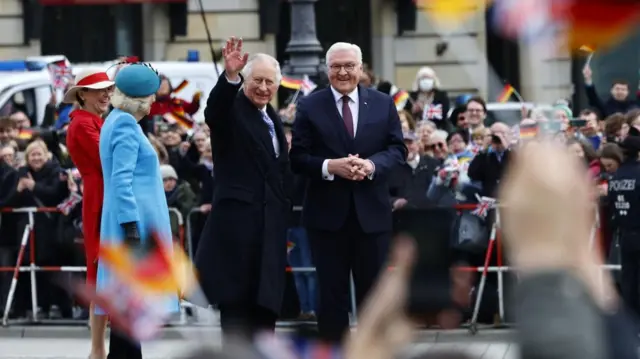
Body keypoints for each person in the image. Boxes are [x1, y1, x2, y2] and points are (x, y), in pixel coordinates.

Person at [289, 42, 406, 343]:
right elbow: (298, 158)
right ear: (326, 70)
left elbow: (397, 150)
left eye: (349, 65)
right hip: (327, 219)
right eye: (336, 66)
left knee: (375, 297)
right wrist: (331, 166)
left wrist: (370, 165)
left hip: (372, 217)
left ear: (360, 68)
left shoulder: (382, 103)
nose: (343, 72)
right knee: (331, 298)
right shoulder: (310, 105)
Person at [194, 37, 292, 340]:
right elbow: (215, 112)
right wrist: (231, 77)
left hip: (269, 233)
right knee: (237, 318)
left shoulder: (272, 118)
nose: (263, 88)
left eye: (269, 82)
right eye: (257, 80)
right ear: (245, 81)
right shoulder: (233, 109)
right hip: (237, 233)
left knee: (265, 318)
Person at [98, 63, 179, 359]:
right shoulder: (123, 125)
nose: (155, 101)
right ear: (140, 99)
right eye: (151, 96)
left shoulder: (119, 121)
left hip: (132, 224)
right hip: (133, 227)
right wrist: (131, 224)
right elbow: (121, 180)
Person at [64, 68, 114, 359]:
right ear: (83, 94)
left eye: (108, 89)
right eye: (99, 89)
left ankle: (99, 347)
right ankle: (97, 348)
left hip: (101, 194)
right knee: (101, 272)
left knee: (104, 273)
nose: (106, 94)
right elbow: (107, 158)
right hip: (100, 198)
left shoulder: (90, 120)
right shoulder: (84, 124)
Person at [608, 135, 640, 321]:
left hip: (624, 235)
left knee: (628, 280)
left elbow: (612, 205)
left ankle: (631, 322)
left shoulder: (616, 177)